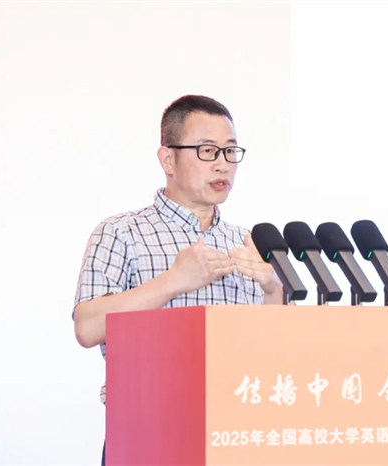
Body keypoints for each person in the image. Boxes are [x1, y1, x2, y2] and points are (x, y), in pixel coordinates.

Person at [71, 95, 283, 465]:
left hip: (237, 434)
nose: (223, 164)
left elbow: (271, 348)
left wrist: (273, 289)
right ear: (168, 160)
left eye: (230, 151)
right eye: (207, 151)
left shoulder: (248, 241)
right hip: (149, 435)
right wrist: (173, 281)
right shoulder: (122, 232)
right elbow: (87, 328)